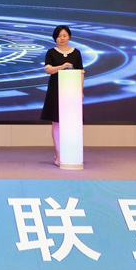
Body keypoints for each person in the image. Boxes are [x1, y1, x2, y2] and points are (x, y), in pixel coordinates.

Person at [40, 25, 84, 166]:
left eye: (64, 35)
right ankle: (59, 154)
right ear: (55, 38)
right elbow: (48, 70)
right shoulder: (51, 52)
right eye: (59, 36)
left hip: (72, 92)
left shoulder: (76, 53)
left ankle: (70, 152)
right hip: (55, 90)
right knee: (57, 122)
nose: (62, 38)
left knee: (71, 121)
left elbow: (81, 72)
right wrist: (62, 67)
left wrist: (80, 90)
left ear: (69, 36)